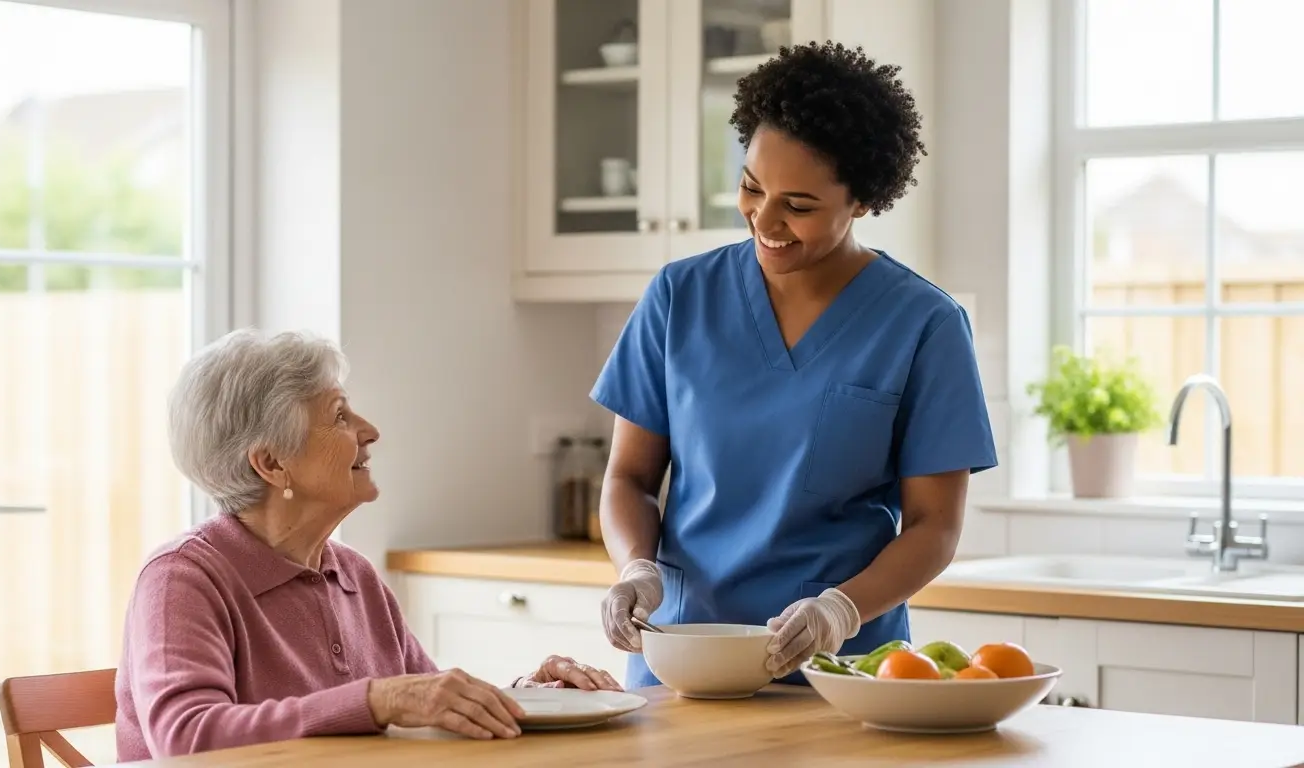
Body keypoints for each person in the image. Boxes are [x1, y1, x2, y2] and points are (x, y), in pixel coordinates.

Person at [592, 41, 998, 691]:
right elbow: (629, 477)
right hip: (683, 658)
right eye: (752, 188)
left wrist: (840, 610)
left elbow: (935, 525)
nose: (766, 219)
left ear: (862, 200)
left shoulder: (924, 324)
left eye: (799, 205)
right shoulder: (679, 296)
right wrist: (635, 568)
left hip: (840, 673)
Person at [115, 329, 621, 761]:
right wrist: (377, 700)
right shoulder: (182, 578)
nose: (370, 431)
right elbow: (186, 740)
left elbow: (423, 706)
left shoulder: (353, 576)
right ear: (271, 463)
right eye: (339, 416)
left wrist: (532, 699)